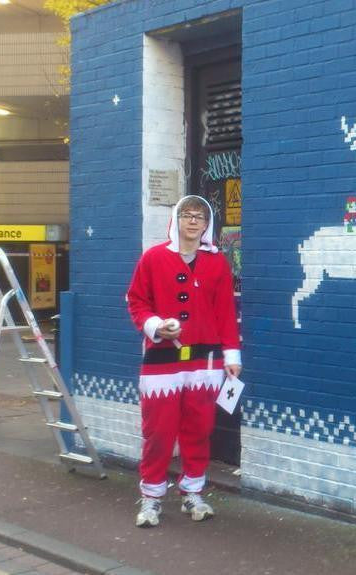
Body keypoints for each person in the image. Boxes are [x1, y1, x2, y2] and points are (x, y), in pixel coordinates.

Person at [126, 195, 241, 527]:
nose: (193, 221)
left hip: (205, 361)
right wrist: (155, 325)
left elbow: (225, 312)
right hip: (162, 359)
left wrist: (231, 354)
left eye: (199, 216)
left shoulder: (217, 263)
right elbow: (136, 301)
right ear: (176, 219)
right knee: (158, 433)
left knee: (198, 430)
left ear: (207, 225)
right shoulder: (153, 258)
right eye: (187, 215)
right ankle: (151, 497)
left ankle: (193, 492)